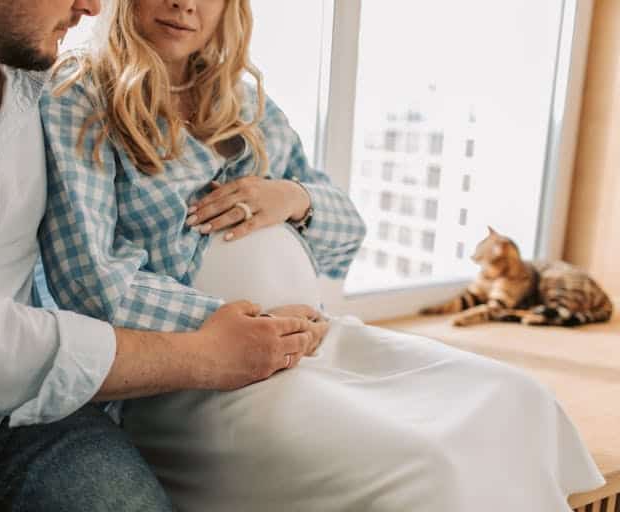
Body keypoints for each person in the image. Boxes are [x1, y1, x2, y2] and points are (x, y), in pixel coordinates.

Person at [39, 0, 606, 510]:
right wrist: (252, 328)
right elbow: (92, 284)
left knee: (517, 400)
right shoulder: (80, 96)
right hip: (195, 375)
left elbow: (347, 231)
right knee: (426, 462)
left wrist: (293, 197)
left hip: (317, 342)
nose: (185, 4)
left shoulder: (243, 101)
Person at [0, 1, 325, 511]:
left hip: (19, 417)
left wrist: (295, 201)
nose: (93, 5)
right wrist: (211, 352)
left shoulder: (33, 74)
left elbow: (336, 222)